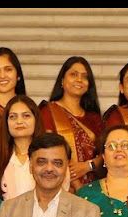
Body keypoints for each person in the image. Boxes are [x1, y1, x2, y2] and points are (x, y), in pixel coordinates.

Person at [38, 56, 104, 189]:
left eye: (85, 76)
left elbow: (106, 153)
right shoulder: (48, 112)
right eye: (73, 74)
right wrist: (78, 187)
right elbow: (47, 151)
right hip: (60, 188)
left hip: (95, 189)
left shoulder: (95, 118)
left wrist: (88, 166)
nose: (79, 79)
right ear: (62, 80)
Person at [76, 124, 128, 217]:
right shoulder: (85, 195)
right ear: (103, 156)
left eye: (125, 145)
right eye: (111, 146)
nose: (119, 149)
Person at [0, 94, 41, 201]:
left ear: (36, 120)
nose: (19, 121)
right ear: (6, 123)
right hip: (4, 216)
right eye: (13, 117)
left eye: (26, 116)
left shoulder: (50, 154)